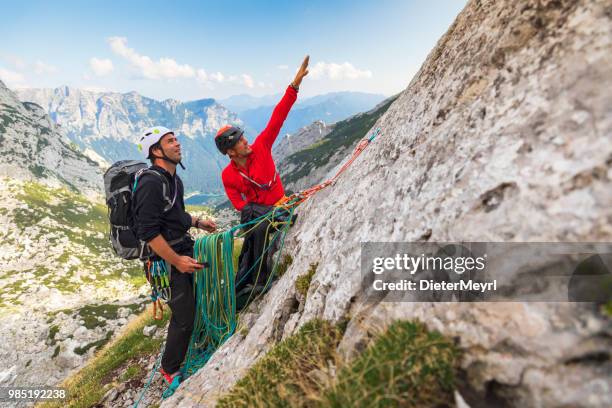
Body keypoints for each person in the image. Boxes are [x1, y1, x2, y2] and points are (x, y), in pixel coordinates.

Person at [215, 56, 309, 294]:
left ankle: (256, 281)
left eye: (243, 137)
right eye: (239, 141)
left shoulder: (262, 147)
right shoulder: (229, 176)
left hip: (281, 207)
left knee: (257, 230)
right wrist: (258, 213)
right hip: (261, 219)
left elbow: (278, 116)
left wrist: (294, 86)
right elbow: (239, 205)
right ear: (230, 152)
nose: (245, 141)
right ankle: (252, 282)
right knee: (253, 227)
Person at [132, 126, 216, 388]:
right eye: (170, 141)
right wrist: (176, 261)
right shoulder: (150, 182)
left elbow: (175, 215)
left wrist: (198, 222)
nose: (178, 144)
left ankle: (195, 343)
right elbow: (148, 232)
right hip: (165, 262)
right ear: (156, 151)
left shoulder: (173, 180)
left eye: (177, 139)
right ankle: (169, 368)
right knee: (184, 315)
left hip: (182, 249)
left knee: (199, 298)